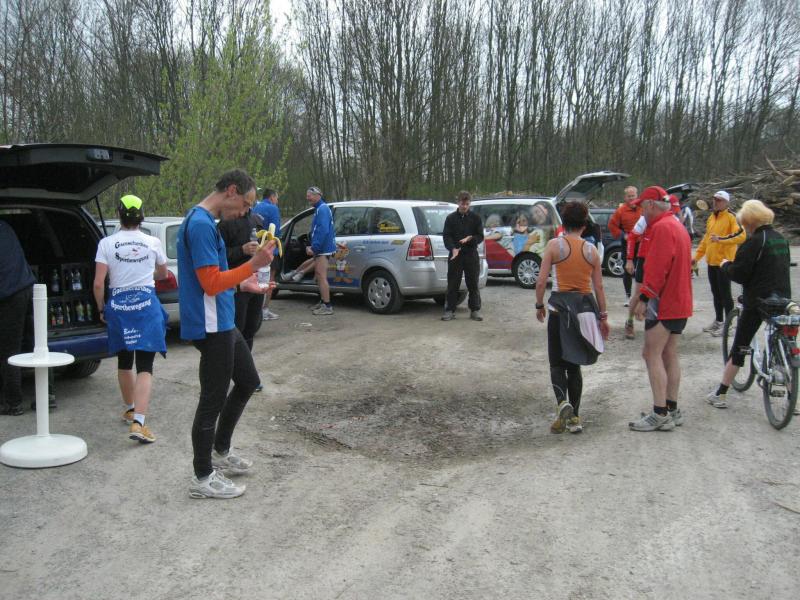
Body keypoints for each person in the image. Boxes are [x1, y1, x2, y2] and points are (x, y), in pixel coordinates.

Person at [177, 169, 277, 499]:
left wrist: (244, 284)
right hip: (210, 325)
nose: (245, 212)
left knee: (247, 381)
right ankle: (203, 476)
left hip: (222, 319)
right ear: (231, 191)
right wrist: (254, 264)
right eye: (245, 204)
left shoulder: (206, 222)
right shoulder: (200, 224)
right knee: (212, 400)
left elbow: (217, 278)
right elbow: (209, 283)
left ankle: (220, 449)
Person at [93, 195, 169, 443]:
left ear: (119, 214)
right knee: (145, 366)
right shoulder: (153, 242)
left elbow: (98, 283)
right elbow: (163, 273)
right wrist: (146, 273)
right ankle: (139, 422)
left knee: (124, 362)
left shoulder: (106, 243)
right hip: (146, 306)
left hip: (118, 306)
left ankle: (130, 408)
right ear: (142, 216)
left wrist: (101, 309)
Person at [706, 200, 791, 408]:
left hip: (758, 300)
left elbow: (740, 273)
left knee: (740, 345)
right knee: (785, 344)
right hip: (783, 298)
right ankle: (793, 398)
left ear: (749, 221)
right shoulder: (780, 239)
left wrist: (726, 265)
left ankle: (721, 393)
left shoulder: (754, 242)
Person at [535, 201, 609, 434]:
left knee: (556, 363)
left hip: (559, 312)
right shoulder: (591, 250)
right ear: (584, 225)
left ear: (564, 222)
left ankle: (561, 403)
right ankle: (574, 417)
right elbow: (599, 287)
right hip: (583, 313)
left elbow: (541, 281)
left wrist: (539, 305)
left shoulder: (554, 245)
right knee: (574, 365)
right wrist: (603, 317)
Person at [628, 186, 693, 432]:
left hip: (664, 303)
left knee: (651, 353)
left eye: (642, 207)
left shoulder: (662, 228)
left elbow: (657, 268)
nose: (641, 213)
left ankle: (660, 413)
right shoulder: (676, 225)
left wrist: (644, 297)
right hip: (680, 301)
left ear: (651, 205)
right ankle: (671, 408)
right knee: (669, 353)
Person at [693, 190, 745, 335]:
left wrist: (721, 240)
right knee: (716, 293)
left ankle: (729, 325)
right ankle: (719, 321)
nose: (716, 202)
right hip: (712, 262)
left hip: (724, 262)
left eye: (719, 200)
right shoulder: (711, 217)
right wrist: (696, 257)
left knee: (725, 294)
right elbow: (706, 240)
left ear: (727, 202)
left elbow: (741, 235)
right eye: (715, 199)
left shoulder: (731, 217)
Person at [0, 220, 36, 416]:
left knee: (8, 350)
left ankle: (12, 403)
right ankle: (47, 396)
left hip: (10, 295)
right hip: (28, 288)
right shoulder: (5, 226)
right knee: (36, 345)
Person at [217, 208, 266, 351]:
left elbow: (264, 247)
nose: (248, 205)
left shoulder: (256, 219)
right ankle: (232, 363)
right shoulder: (225, 223)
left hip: (256, 282)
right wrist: (241, 250)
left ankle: (246, 362)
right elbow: (218, 256)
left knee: (251, 329)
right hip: (236, 286)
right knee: (236, 330)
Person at [283, 187, 336, 315]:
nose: (307, 198)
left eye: (309, 195)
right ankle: (323, 301)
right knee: (318, 275)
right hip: (322, 248)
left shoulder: (322, 209)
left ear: (318, 195)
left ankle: (327, 306)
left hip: (323, 249)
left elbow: (322, 230)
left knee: (321, 275)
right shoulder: (320, 209)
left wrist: (314, 247)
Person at [442, 191, 484, 321]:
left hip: (471, 254)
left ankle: (475, 310)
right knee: (453, 283)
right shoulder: (450, 218)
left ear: (470, 203)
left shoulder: (476, 218)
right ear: (458, 202)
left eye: (467, 204)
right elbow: (446, 236)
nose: (464, 206)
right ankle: (449, 310)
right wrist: (452, 248)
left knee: (473, 283)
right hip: (456, 255)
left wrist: (471, 238)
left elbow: (480, 236)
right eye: (462, 203)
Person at [608, 186, 641, 309]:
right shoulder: (621, 211)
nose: (631, 198)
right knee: (627, 270)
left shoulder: (643, 208)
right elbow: (612, 225)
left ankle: (641, 297)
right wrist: (623, 235)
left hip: (642, 243)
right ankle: (628, 296)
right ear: (625, 197)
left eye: (633, 195)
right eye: (629, 196)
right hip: (627, 243)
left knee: (642, 269)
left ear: (637, 195)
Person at [252, 187, 281, 321]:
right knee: (270, 280)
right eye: (276, 198)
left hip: (256, 248)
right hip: (270, 249)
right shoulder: (273, 208)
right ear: (272, 197)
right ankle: (264, 310)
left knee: (257, 279)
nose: (277, 201)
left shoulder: (256, 207)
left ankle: (256, 310)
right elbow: (275, 230)